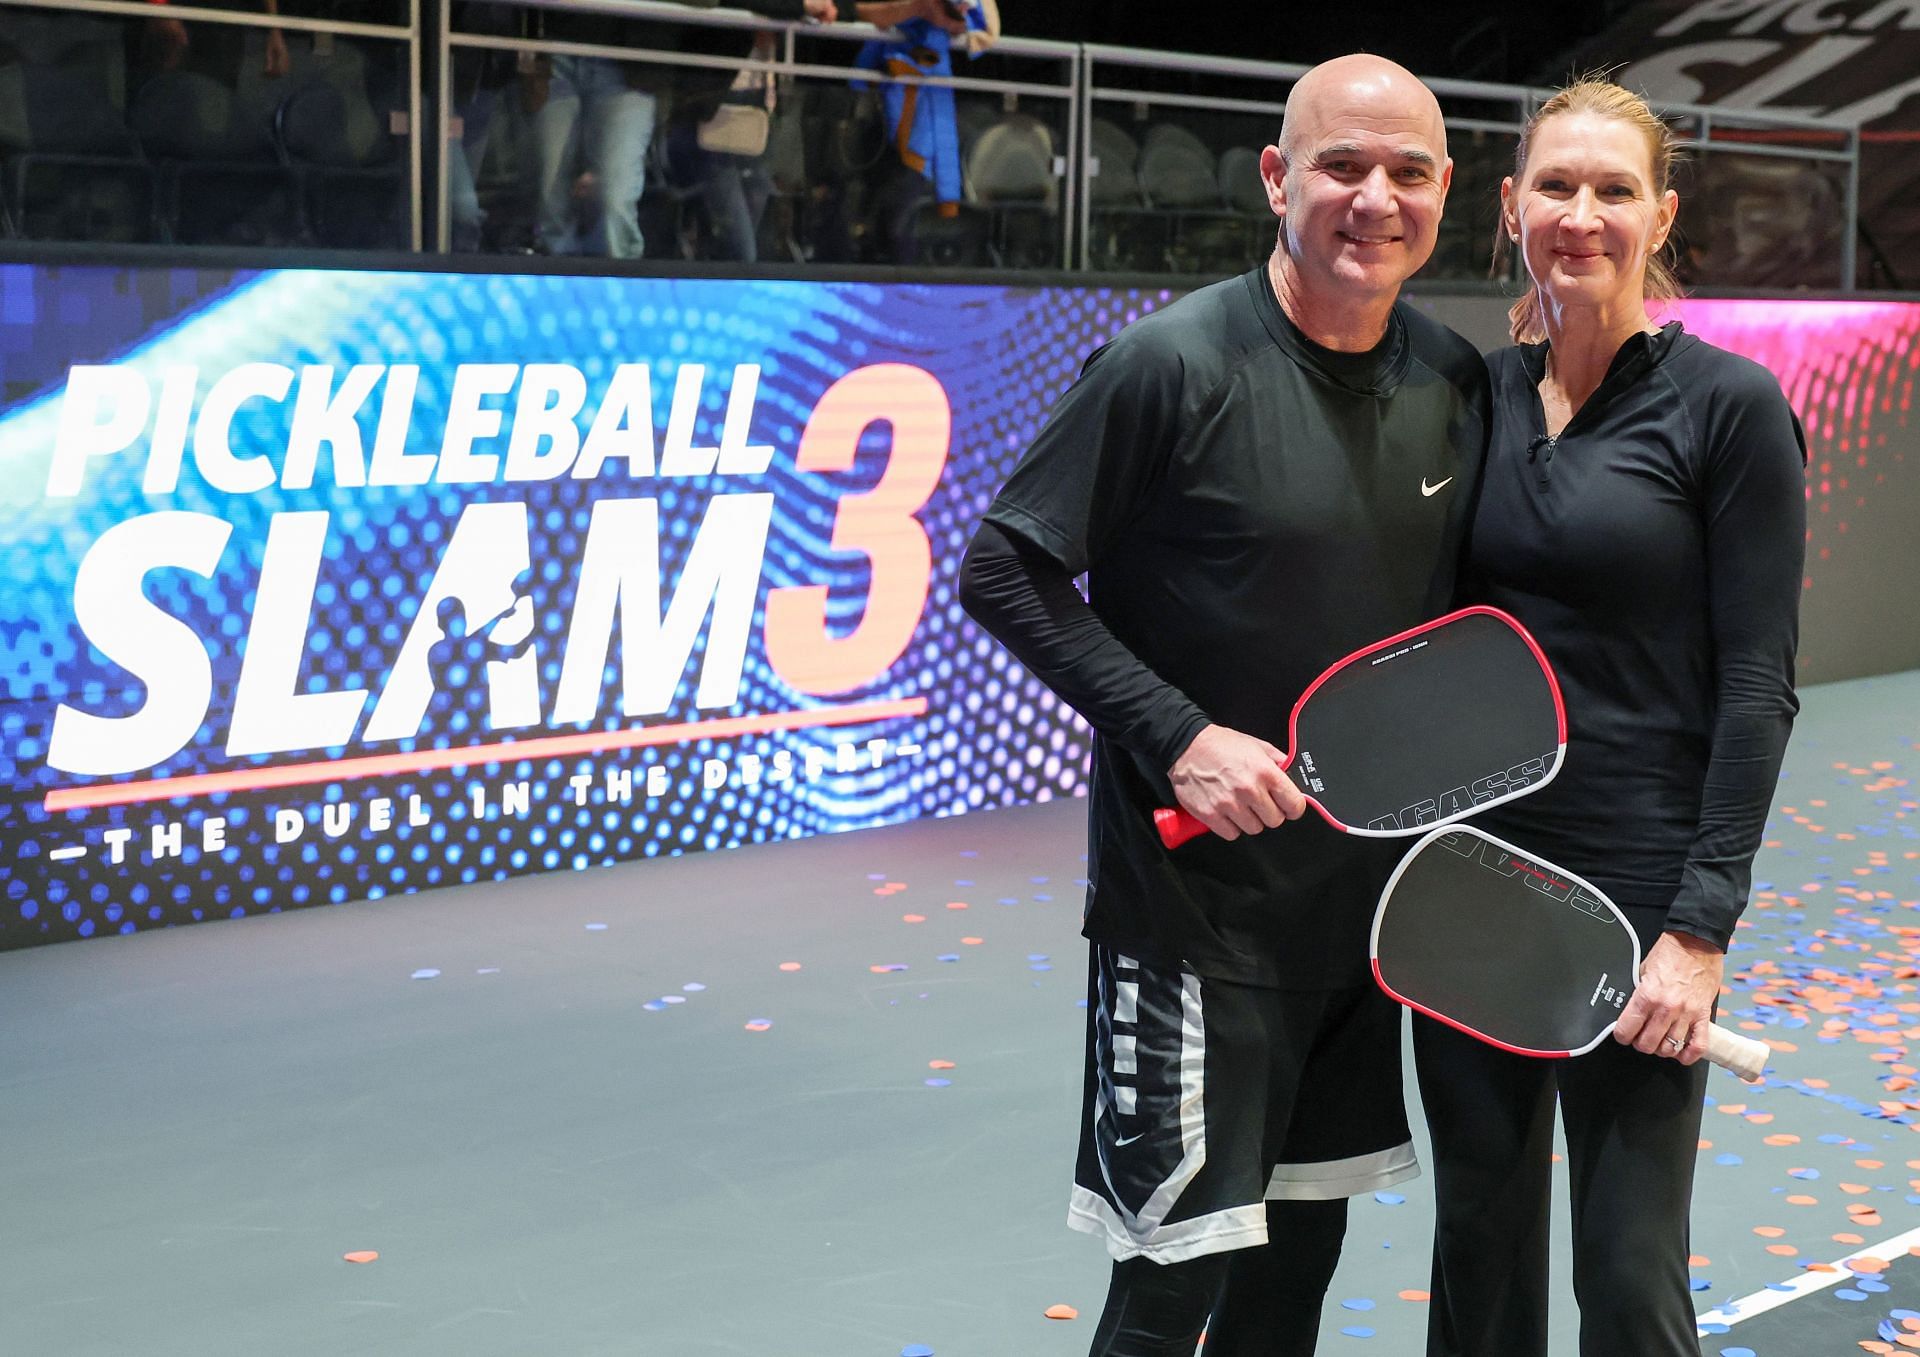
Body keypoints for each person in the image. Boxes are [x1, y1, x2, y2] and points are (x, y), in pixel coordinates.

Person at [959, 55, 1488, 1357]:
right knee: (1170, 1287)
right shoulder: (1167, 365)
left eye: (1406, 170)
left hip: (1359, 927)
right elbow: (1002, 568)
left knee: (1296, 1267)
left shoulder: (1456, 383)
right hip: (1190, 927)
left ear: (1445, 189)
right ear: (1276, 178)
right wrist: (1179, 735)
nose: (1374, 197)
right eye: (1341, 166)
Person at [1413, 78, 1806, 1357]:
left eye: (1614, 189)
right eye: (1556, 187)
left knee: (1631, 1282)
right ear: (1512, 206)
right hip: (1475, 880)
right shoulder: (1468, 399)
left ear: (1662, 213)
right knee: (1478, 1249)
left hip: (1641, 899)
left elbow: (1758, 681)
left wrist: (1700, 925)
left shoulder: (1729, 409)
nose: (1582, 215)